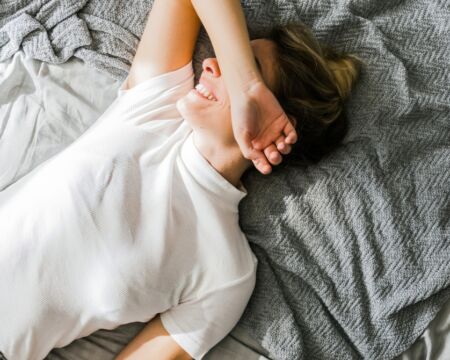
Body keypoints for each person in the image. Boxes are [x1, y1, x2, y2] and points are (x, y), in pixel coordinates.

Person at [0, 1, 360, 360]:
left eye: (247, 67)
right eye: (232, 60)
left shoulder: (227, 274)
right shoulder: (153, 108)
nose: (212, 63)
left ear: (282, 125)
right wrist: (248, 84)